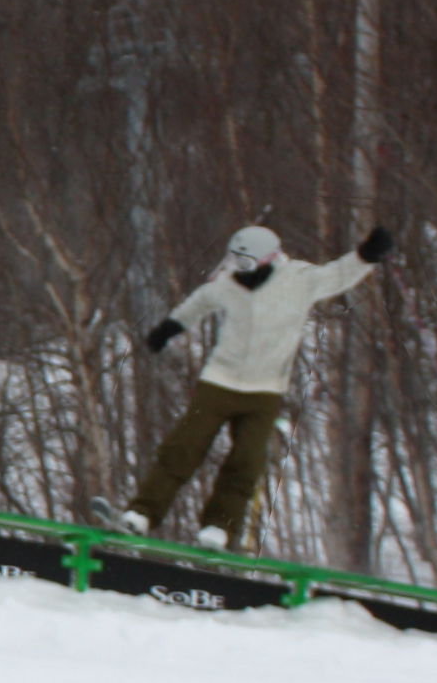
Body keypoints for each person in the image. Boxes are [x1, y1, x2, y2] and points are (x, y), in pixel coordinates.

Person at [110, 222, 395, 551]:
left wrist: (366, 255)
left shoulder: (299, 280)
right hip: (218, 382)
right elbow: (198, 303)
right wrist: (169, 328)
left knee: (247, 460)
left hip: (265, 391)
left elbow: (338, 275)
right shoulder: (227, 283)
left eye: (245, 263)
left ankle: (218, 527)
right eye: (234, 261)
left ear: (269, 258)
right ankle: (142, 513)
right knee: (183, 447)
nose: (238, 269)